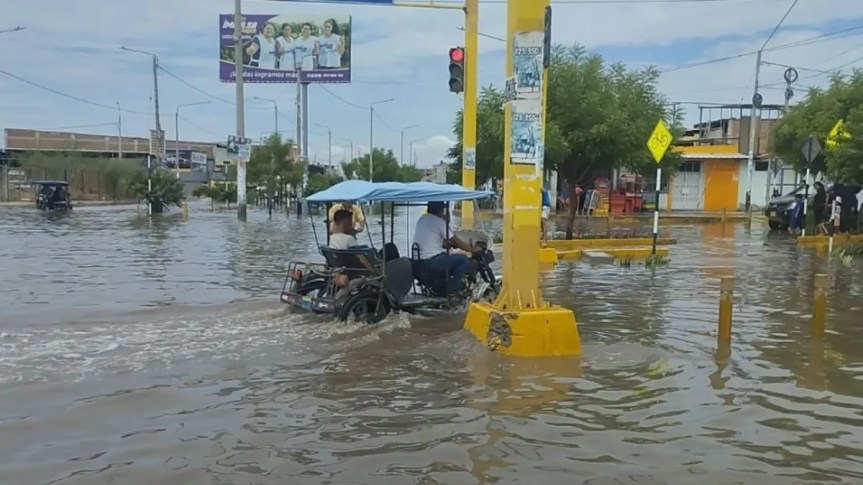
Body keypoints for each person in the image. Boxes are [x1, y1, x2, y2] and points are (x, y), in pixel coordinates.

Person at [413, 201, 478, 293]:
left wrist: (450, 245)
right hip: (431, 262)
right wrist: (472, 249)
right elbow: (455, 240)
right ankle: (453, 288)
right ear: (441, 210)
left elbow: (434, 241)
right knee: (463, 259)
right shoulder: (439, 222)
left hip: (419, 262)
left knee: (449, 257)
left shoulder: (422, 219)